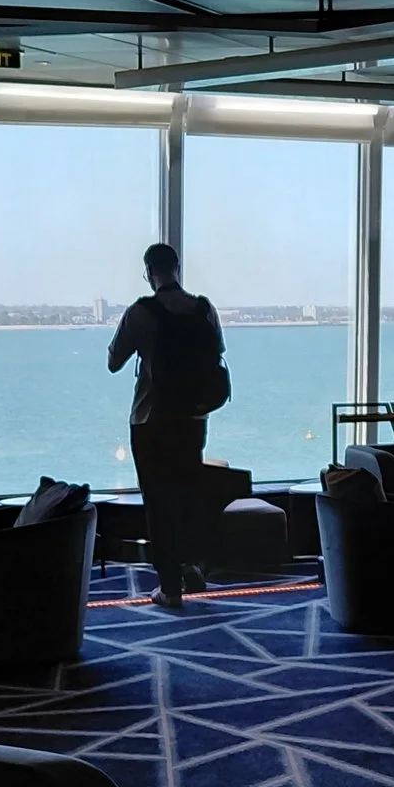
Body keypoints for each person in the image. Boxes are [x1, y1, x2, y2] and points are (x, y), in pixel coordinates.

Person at [108, 243, 227, 609]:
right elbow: (217, 355)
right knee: (187, 495)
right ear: (177, 267)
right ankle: (191, 565)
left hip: (152, 420)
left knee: (158, 503)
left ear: (148, 272)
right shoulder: (204, 309)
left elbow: (113, 361)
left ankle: (170, 588)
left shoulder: (141, 312)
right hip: (193, 418)